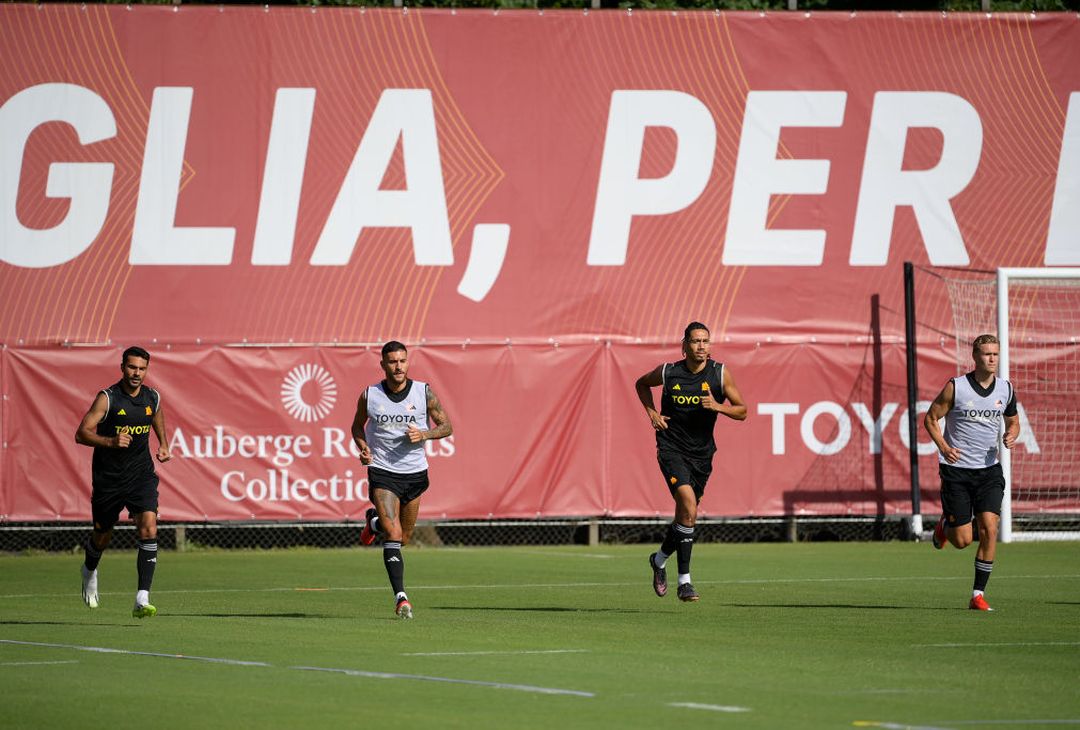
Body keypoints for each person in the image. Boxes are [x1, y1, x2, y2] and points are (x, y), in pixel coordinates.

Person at [635, 322, 747, 602]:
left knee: (686, 516)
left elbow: (743, 410)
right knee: (688, 505)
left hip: (702, 454)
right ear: (684, 345)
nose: (701, 346)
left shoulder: (720, 373)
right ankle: (685, 582)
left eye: (706, 341)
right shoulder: (668, 372)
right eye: (696, 341)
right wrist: (652, 413)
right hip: (671, 447)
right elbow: (641, 384)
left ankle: (659, 560)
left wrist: (719, 407)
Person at [351, 341, 453, 619]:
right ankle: (401, 598)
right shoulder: (370, 395)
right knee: (393, 534)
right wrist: (363, 447)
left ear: (408, 363)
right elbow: (357, 426)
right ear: (383, 365)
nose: (398, 366)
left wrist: (425, 434)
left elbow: (446, 426)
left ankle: (373, 522)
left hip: (415, 474)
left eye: (403, 361)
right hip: (383, 472)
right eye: (393, 362)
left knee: (404, 537)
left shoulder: (423, 392)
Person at [924, 334, 1019, 612]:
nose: (992, 359)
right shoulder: (956, 387)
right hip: (957, 473)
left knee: (990, 529)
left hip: (989, 472)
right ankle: (945, 527)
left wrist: (1012, 434)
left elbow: (1013, 421)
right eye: (987, 354)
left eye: (996, 354)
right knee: (963, 540)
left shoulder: (1006, 389)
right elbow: (931, 418)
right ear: (975, 357)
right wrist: (944, 446)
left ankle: (977, 595)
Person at [75, 346, 171, 618]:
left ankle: (142, 597)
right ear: (122, 367)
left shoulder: (152, 396)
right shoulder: (108, 398)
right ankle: (89, 569)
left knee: (149, 528)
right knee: (102, 536)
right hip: (109, 480)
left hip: (141, 476)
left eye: (142, 368)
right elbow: (81, 433)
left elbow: (156, 414)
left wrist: (163, 444)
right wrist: (111, 441)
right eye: (132, 367)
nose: (136, 373)